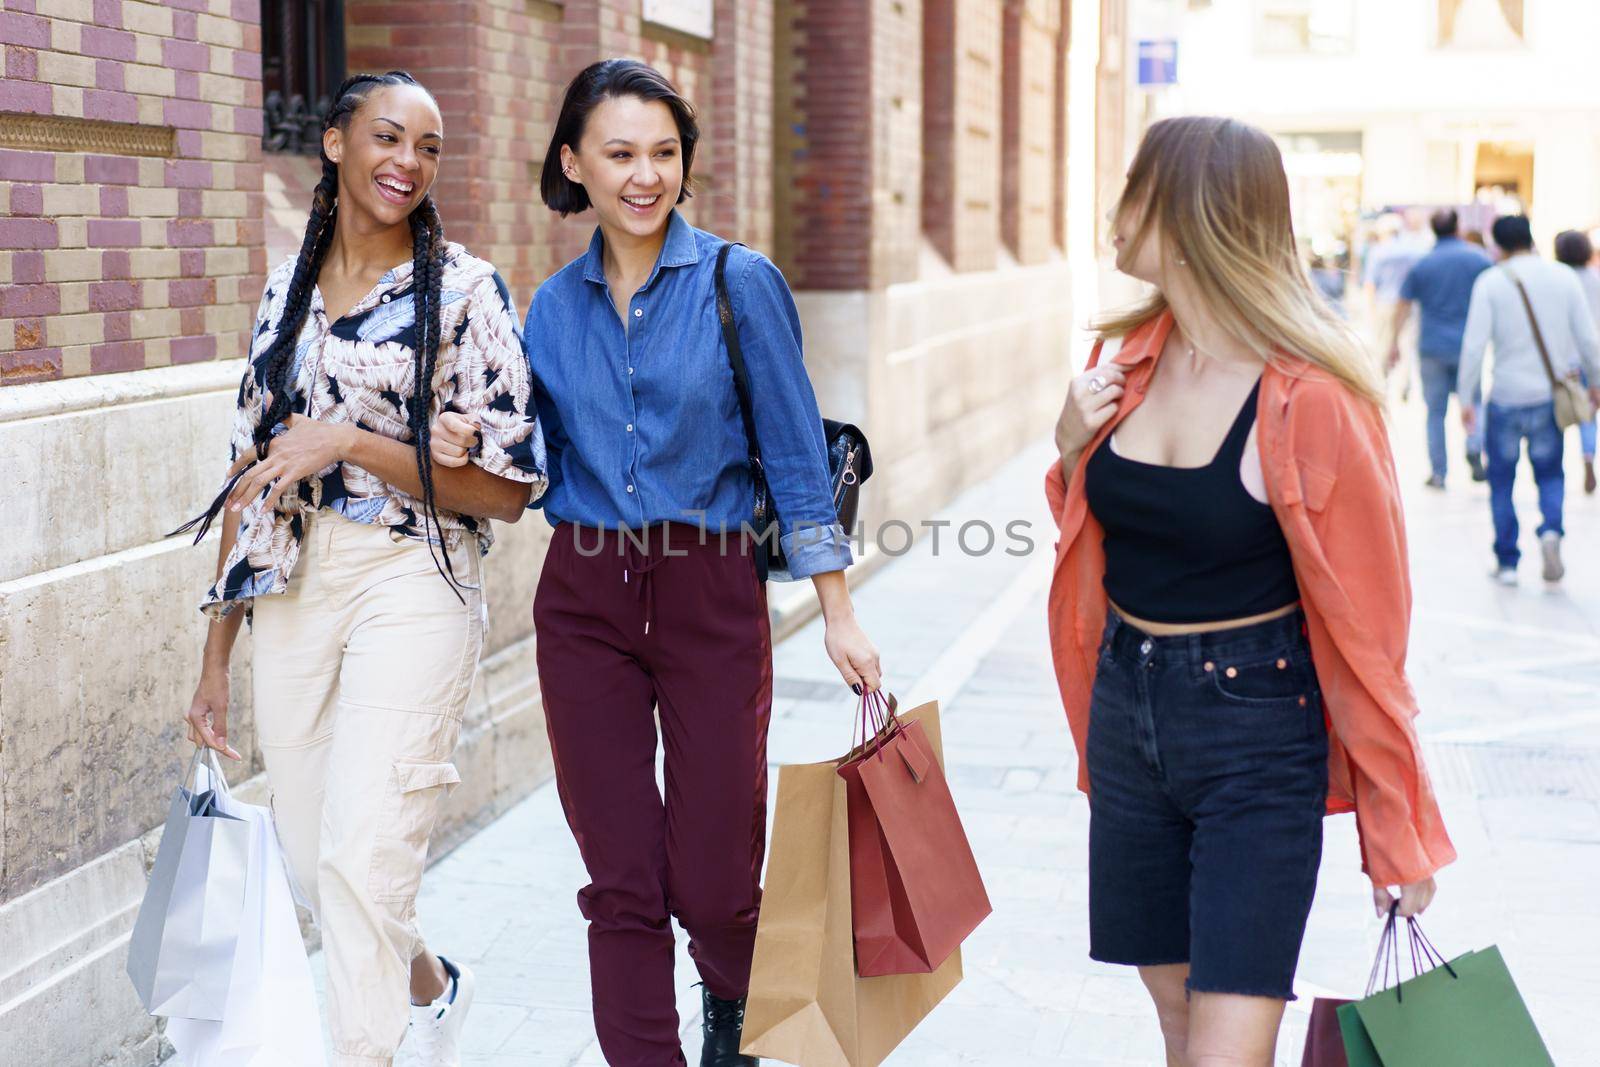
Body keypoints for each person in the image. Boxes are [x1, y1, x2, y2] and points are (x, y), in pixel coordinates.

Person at [427, 59, 881, 1067]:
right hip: (584, 597)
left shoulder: (738, 283)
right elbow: (537, 459)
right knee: (620, 880)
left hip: (711, 591)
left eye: (664, 153)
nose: (645, 176)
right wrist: (472, 436)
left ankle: (734, 995)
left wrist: (837, 609)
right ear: (574, 163)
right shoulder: (550, 306)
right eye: (620, 153)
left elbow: (798, 456)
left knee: (718, 879)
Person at [1045, 116, 1455, 1066]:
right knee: (1181, 1027)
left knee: (1227, 1046)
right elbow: (1090, 536)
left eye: (1135, 192)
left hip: (1255, 730)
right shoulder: (1130, 367)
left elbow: (1370, 635)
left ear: (1188, 218)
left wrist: (1398, 832)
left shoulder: (1313, 399)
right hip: (1128, 719)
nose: (1114, 215)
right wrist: (1071, 448)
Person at [179, 71, 548, 1067]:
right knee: (315, 860)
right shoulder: (282, 294)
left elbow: (512, 487)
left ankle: (366, 1049)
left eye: (428, 149)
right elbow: (247, 472)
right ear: (335, 142)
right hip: (293, 583)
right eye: (388, 138)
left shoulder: (464, 293)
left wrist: (349, 440)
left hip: (413, 578)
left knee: (362, 853)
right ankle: (429, 985)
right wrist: (215, 653)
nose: (408, 164)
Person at [1459, 215, 1600, 585]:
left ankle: (1507, 561)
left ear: (1498, 246)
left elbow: (1474, 347)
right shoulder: (1563, 277)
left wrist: (1466, 398)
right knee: (1550, 474)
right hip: (1547, 396)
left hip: (1505, 395)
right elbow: (1588, 340)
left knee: (1502, 481)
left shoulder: (1490, 282)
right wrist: (1595, 382)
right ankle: (1551, 531)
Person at [1393, 208, 1492, 486]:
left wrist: (1393, 342)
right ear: (1457, 227)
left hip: (1432, 346)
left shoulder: (1424, 264)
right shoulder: (1478, 260)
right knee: (1472, 401)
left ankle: (1439, 472)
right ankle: (1474, 445)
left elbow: (1403, 305)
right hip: (1468, 345)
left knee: (1435, 412)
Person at [1554, 229, 1600, 493]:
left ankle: (1556, 468)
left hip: (1563, 358)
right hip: (1591, 356)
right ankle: (1589, 457)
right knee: (1588, 415)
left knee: (1558, 414)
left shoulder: (1557, 279)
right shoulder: (1595, 279)